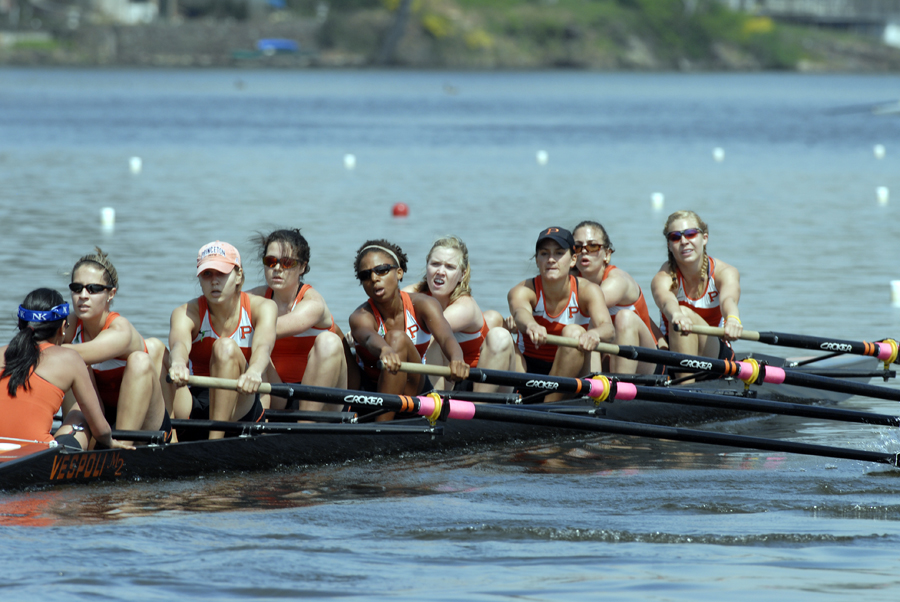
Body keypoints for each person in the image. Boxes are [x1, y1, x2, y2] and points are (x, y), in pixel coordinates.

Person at [476, 227, 615, 401]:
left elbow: (608, 329)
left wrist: (594, 334)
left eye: (558, 253)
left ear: (573, 260)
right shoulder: (523, 290)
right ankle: (476, 407)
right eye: (544, 253)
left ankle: (548, 405)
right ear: (537, 260)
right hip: (526, 370)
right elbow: (520, 313)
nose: (551, 259)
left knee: (574, 333)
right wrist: (531, 325)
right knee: (498, 335)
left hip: (571, 373)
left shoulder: (588, 291)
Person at [168, 241, 277, 439]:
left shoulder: (263, 308)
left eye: (222, 273)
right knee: (156, 351)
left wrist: (253, 372)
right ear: (200, 279)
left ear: (239, 275)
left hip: (241, 404)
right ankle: (168, 441)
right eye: (207, 274)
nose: (214, 281)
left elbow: (263, 347)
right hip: (196, 404)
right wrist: (177, 363)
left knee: (224, 347)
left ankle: (214, 442)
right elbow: (179, 345)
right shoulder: (185, 312)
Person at [0, 288, 132, 451]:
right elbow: (101, 430)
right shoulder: (70, 358)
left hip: (3, 451)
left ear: (21, 324)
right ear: (63, 327)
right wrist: (110, 442)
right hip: (36, 455)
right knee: (80, 413)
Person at [349, 239, 469, 419]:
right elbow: (367, 338)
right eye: (365, 275)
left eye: (381, 270)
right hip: (372, 397)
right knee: (393, 340)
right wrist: (384, 350)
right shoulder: (360, 316)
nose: (374, 279)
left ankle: (380, 430)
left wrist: (457, 359)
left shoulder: (423, 304)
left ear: (399, 272)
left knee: (397, 339)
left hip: (415, 393)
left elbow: (446, 338)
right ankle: (380, 427)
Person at [63, 249, 171, 444]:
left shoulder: (121, 330)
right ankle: (71, 443)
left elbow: (47, 350)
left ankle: (120, 449)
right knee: (72, 365)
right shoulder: (69, 323)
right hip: (100, 417)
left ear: (110, 294)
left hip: (144, 423)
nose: (83, 295)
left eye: (93, 289)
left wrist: (32, 350)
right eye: (77, 288)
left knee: (139, 360)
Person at [247, 229, 349, 412]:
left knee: (329, 342)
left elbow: (270, 330)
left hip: (322, 398)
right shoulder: (255, 297)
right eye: (271, 261)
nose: (277, 268)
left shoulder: (312, 303)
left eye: (287, 263)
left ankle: (306, 423)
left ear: (302, 267)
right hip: (278, 394)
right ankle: (260, 422)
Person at [650, 210, 742, 378]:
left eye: (691, 234)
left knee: (685, 313)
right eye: (675, 237)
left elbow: (728, 300)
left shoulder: (724, 272)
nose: (684, 241)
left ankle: (684, 391)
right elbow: (666, 301)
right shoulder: (663, 277)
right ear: (669, 245)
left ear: (704, 238)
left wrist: (733, 320)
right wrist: (676, 314)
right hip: (672, 351)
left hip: (716, 355)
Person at [571, 221, 660, 374]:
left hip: (646, 362)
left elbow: (576, 306)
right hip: (607, 357)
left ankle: (616, 387)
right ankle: (593, 389)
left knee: (620, 317)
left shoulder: (617, 281)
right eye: (578, 247)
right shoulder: (571, 280)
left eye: (592, 246)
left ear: (607, 254)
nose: (584, 252)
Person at [404, 235, 492, 390]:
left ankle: (432, 404)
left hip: (469, 380)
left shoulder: (465, 306)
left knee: (435, 342)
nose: (440, 271)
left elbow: (429, 337)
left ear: (462, 275)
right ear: (427, 266)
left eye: (450, 267)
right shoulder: (415, 291)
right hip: (441, 373)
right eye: (435, 264)